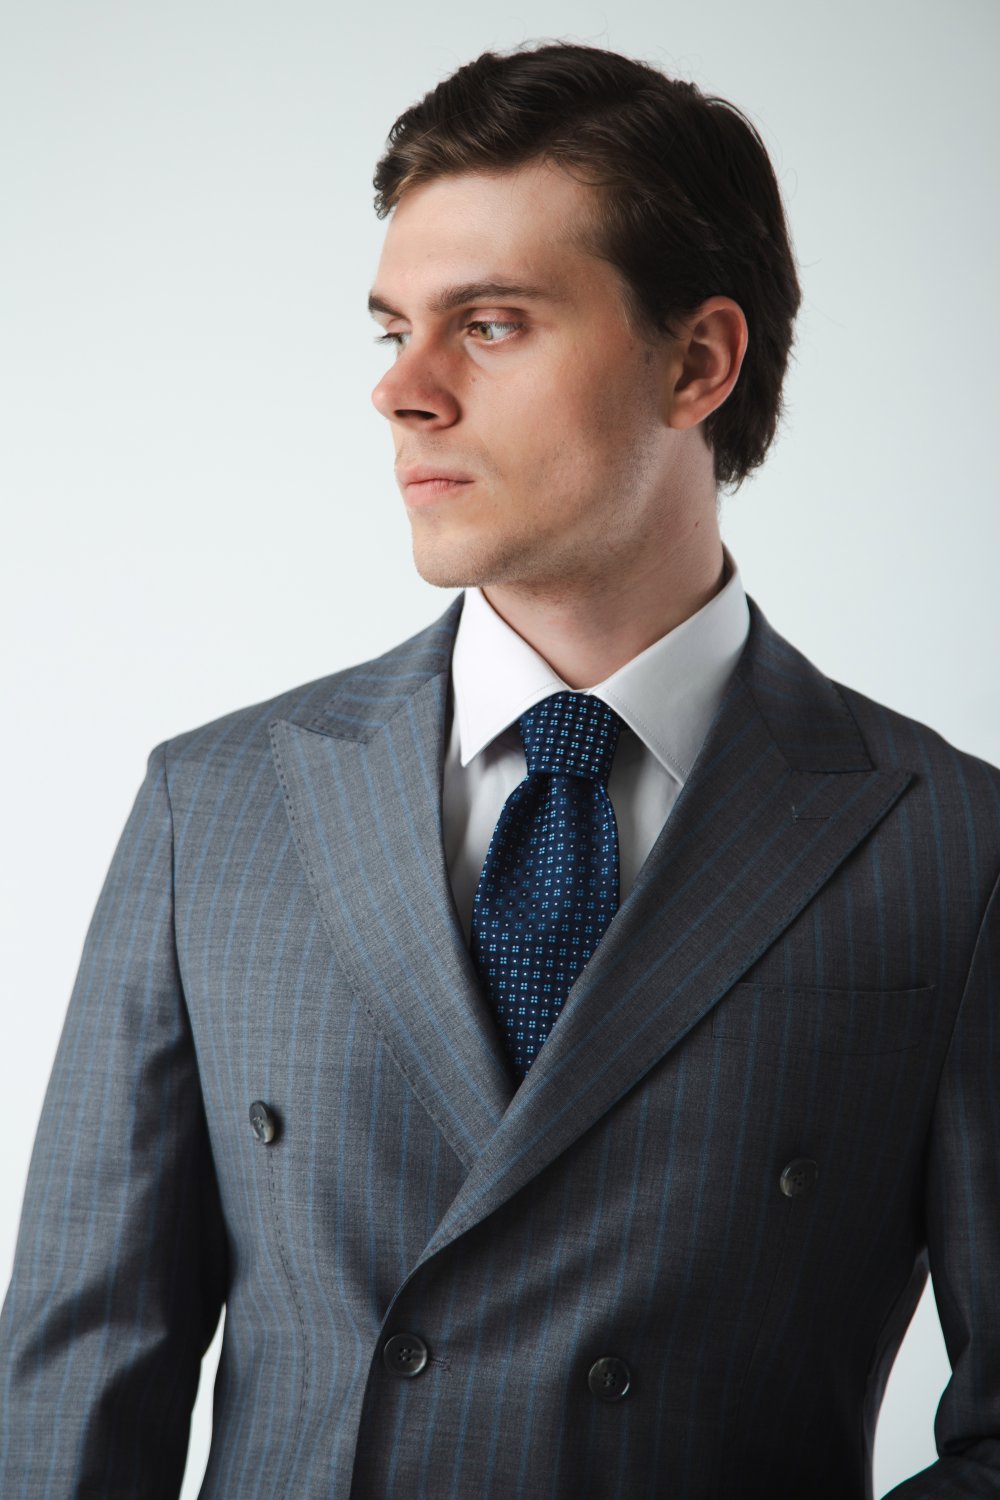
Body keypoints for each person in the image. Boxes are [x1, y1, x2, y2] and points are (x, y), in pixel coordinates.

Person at [1, 39, 998, 1500]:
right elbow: (72, 1401)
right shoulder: (213, 808)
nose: (402, 392)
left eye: (490, 324)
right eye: (391, 329)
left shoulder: (952, 847)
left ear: (698, 362)